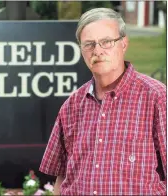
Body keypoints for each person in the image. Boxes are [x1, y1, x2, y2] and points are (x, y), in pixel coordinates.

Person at [39, 7, 166, 195]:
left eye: (106, 42)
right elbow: (62, 175)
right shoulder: (72, 106)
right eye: (89, 44)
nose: (97, 51)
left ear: (123, 43)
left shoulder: (157, 98)